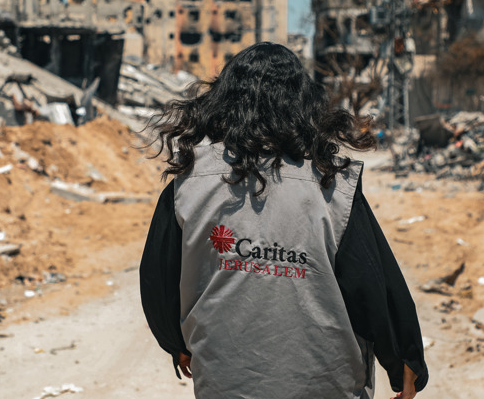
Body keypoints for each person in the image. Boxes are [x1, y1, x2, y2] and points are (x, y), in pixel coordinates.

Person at [140, 42, 428, 398]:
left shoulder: (187, 185)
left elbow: (157, 279)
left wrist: (175, 341)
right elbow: (373, 284)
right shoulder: (331, 186)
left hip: (225, 383)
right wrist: (403, 358)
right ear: (302, 105)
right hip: (326, 383)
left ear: (224, 102)